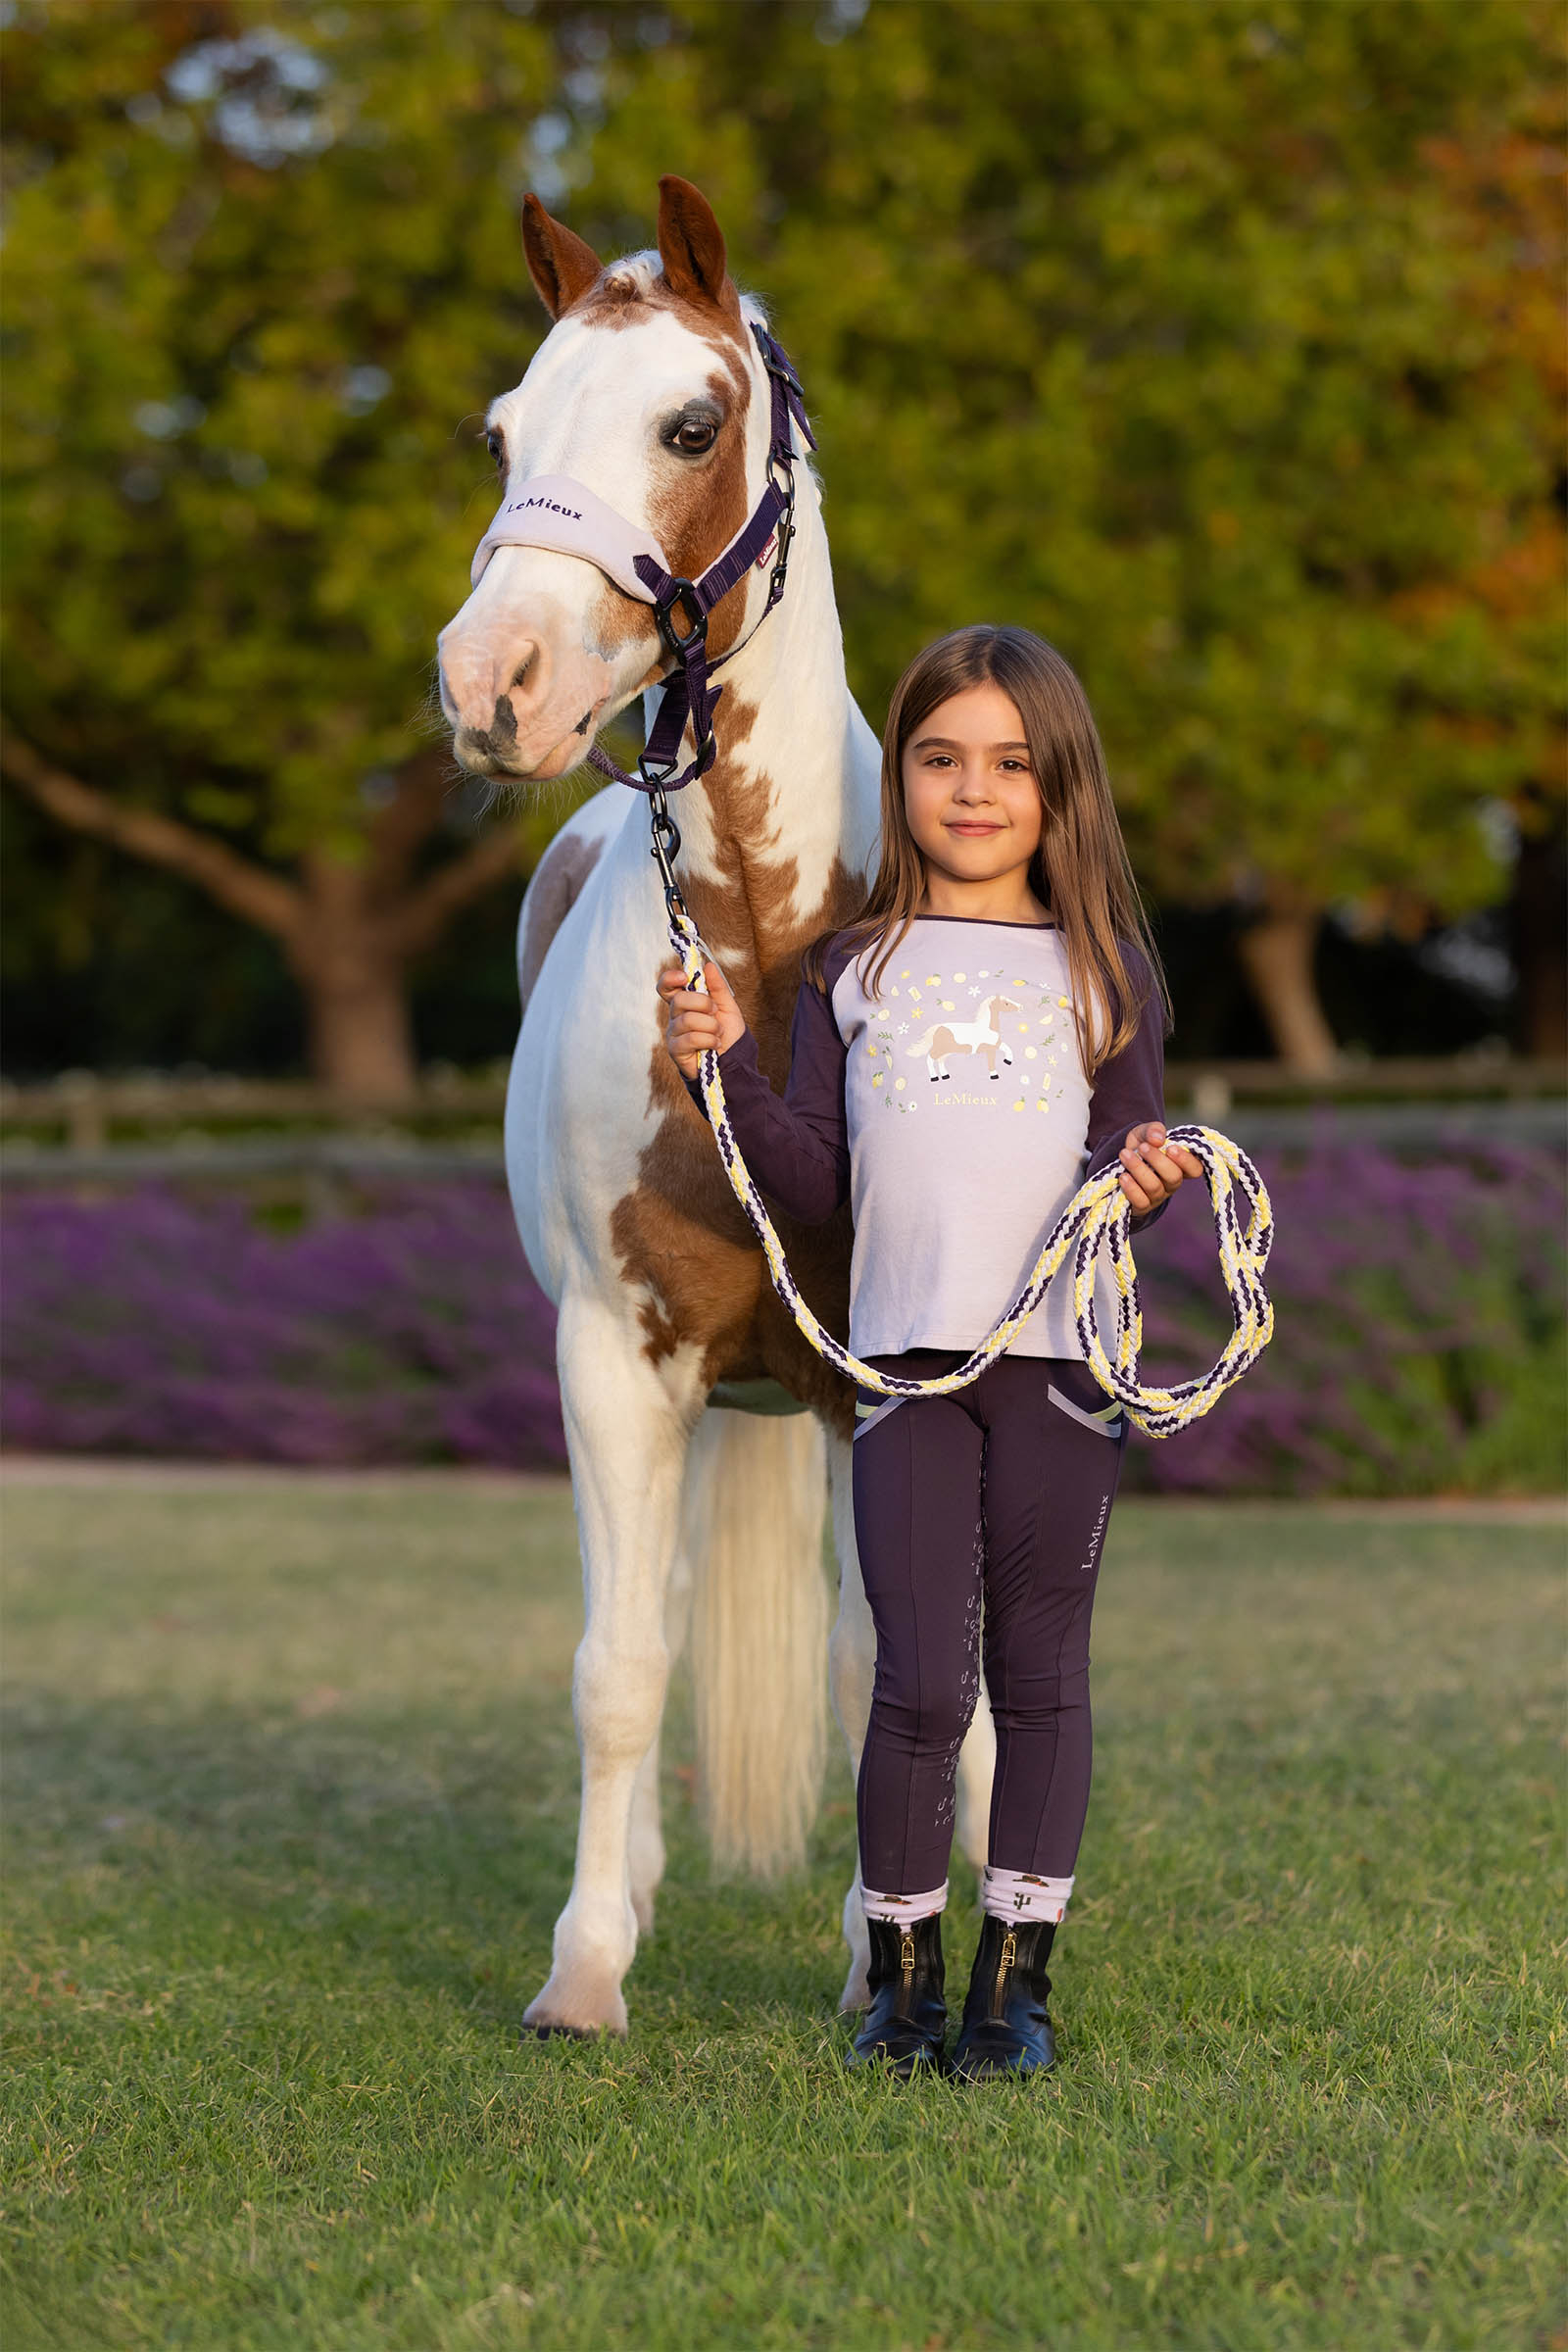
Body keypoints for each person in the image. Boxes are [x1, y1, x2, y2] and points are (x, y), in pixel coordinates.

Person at [657, 624, 1200, 2082]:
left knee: (1041, 1678)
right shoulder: (852, 968)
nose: (973, 791)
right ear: (900, 776)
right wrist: (720, 1066)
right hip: (903, 1375)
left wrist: (1143, 1176)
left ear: (1061, 787)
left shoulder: (1112, 972)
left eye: (1011, 765)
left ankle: (1016, 1987)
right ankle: (902, 1978)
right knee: (913, 1682)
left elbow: (1117, 1159)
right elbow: (816, 1184)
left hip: (1059, 1373)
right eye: (941, 759)